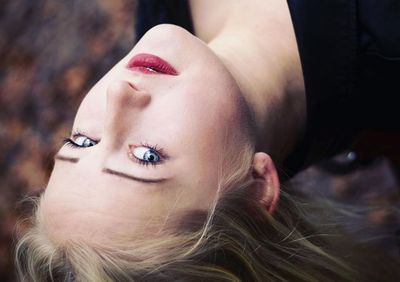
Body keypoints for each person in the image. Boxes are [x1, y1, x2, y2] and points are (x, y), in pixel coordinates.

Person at [15, 0, 400, 281]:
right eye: (148, 156)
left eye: (82, 142)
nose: (118, 95)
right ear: (256, 188)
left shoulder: (164, 26)